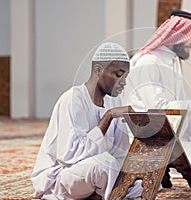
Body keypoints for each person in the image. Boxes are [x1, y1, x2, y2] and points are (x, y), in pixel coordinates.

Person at [31, 42, 142, 200]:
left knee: (144, 182)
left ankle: (99, 194)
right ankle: (104, 192)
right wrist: (108, 116)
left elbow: (120, 152)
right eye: (118, 75)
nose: (123, 82)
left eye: (126, 77)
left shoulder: (114, 101)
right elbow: (71, 155)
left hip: (100, 175)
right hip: (64, 175)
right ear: (98, 70)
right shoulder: (73, 99)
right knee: (104, 164)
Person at [123, 10, 191, 175]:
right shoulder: (148, 62)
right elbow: (157, 108)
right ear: (178, 36)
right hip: (153, 141)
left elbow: (181, 106)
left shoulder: (172, 60)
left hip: (175, 138)